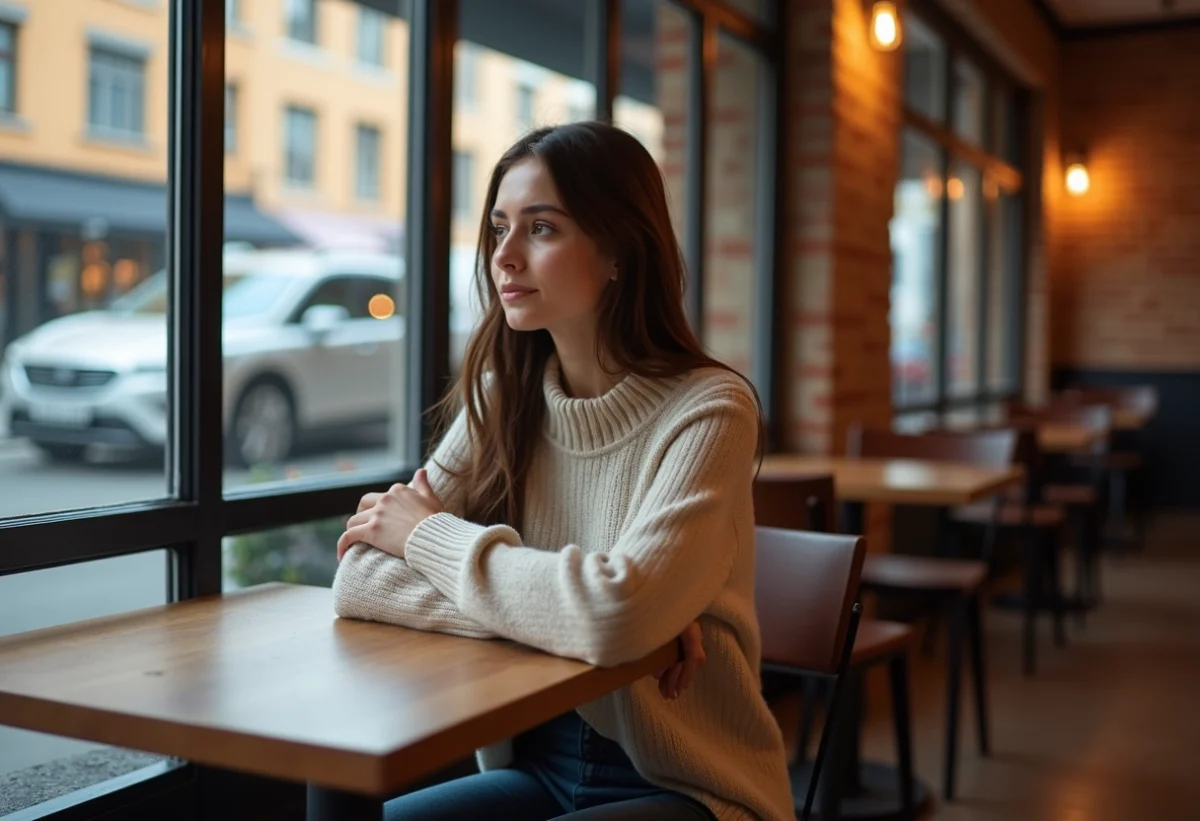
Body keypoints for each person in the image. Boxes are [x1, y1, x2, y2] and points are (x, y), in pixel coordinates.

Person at [332, 121, 794, 821]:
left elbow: (613, 615)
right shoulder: (502, 395)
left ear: (617, 250)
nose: (504, 256)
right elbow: (359, 577)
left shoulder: (710, 409)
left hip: (686, 784)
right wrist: (595, 619)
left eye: (541, 229)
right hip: (537, 769)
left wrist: (430, 540)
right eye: (498, 228)